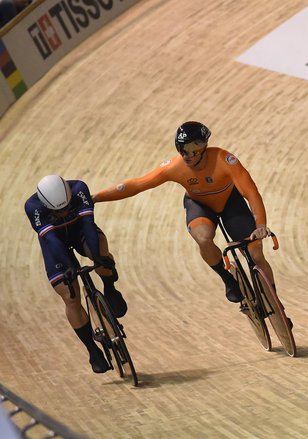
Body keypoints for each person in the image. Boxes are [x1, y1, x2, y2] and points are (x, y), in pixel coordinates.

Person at [92, 121, 275, 303]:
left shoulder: (224, 159)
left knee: (256, 254)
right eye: (182, 150)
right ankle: (227, 279)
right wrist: (95, 198)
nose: (186, 155)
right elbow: (137, 185)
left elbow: (250, 192)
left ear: (203, 147)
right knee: (202, 237)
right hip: (199, 205)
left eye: (191, 150)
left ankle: (275, 301)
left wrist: (260, 225)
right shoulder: (175, 166)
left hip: (230, 202)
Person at [25, 175, 127, 374]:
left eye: (67, 207)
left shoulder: (79, 188)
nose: (63, 212)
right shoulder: (33, 207)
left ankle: (110, 288)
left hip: (80, 232)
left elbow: (88, 224)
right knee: (70, 296)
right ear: (46, 205)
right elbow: (52, 240)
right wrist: (68, 266)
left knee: (101, 250)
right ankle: (93, 350)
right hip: (56, 244)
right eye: (58, 211)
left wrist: (97, 257)